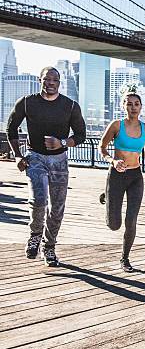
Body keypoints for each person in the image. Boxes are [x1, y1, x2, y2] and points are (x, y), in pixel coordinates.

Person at [6, 66, 86, 266]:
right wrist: (17, 155)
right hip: (36, 157)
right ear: (39, 80)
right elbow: (11, 128)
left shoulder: (70, 106)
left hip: (59, 160)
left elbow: (81, 135)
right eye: (46, 80)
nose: (50, 83)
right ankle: (35, 234)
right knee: (38, 200)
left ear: (59, 83)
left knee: (57, 208)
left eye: (55, 81)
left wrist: (63, 143)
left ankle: (49, 247)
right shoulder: (27, 102)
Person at [98, 91, 145, 272]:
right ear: (123, 106)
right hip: (116, 175)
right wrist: (112, 161)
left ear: (140, 106)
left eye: (136, 104)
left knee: (131, 220)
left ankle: (125, 258)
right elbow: (102, 147)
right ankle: (108, 197)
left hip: (135, 177)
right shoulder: (116, 126)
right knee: (114, 225)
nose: (133, 107)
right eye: (129, 104)